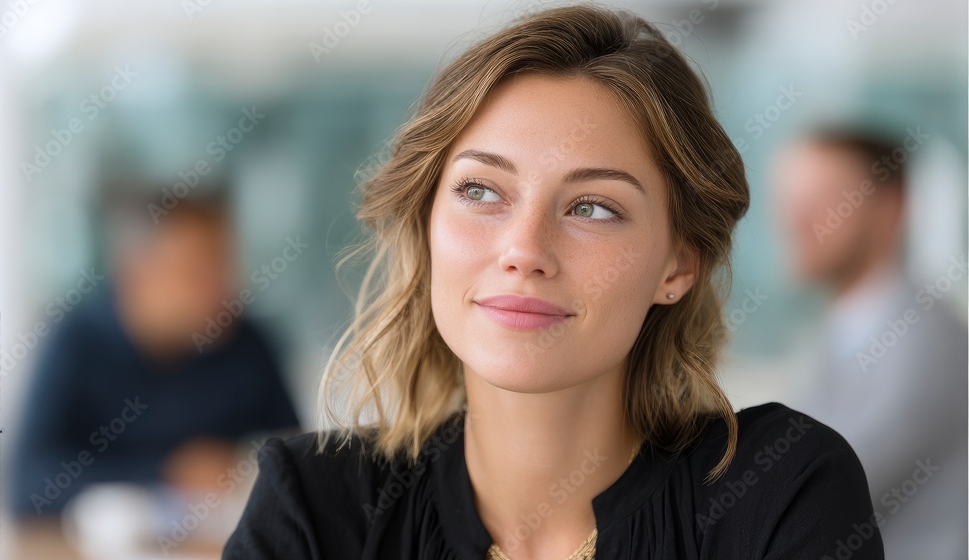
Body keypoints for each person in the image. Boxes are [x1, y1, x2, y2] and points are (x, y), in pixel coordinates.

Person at [223, 6, 883, 559]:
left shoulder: (779, 491)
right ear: (426, 224)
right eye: (480, 190)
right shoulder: (315, 505)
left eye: (592, 207)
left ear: (678, 266)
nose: (523, 250)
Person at [12, 187, 300, 517]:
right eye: (195, 272)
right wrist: (165, 475)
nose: (222, 287)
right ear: (138, 273)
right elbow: (28, 483)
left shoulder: (248, 342)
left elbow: (298, 460)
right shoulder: (76, 340)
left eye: (224, 265)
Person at [771, 128, 968, 559]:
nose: (796, 218)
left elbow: (817, 487)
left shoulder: (928, 343)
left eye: (825, 197)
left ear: (892, 208)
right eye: (790, 198)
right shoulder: (839, 331)